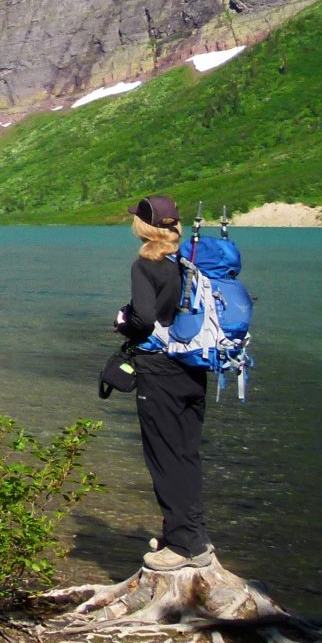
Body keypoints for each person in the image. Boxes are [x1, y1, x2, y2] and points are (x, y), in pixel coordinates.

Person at [113, 193, 213, 571]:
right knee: (186, 453)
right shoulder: (188, 261)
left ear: (144, 226)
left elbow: (143, 318)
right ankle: (189, 533)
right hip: (194, 367)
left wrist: (123, 322)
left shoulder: (146, 266)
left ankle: (184, 545)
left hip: (159, 370)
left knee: (163, 457)